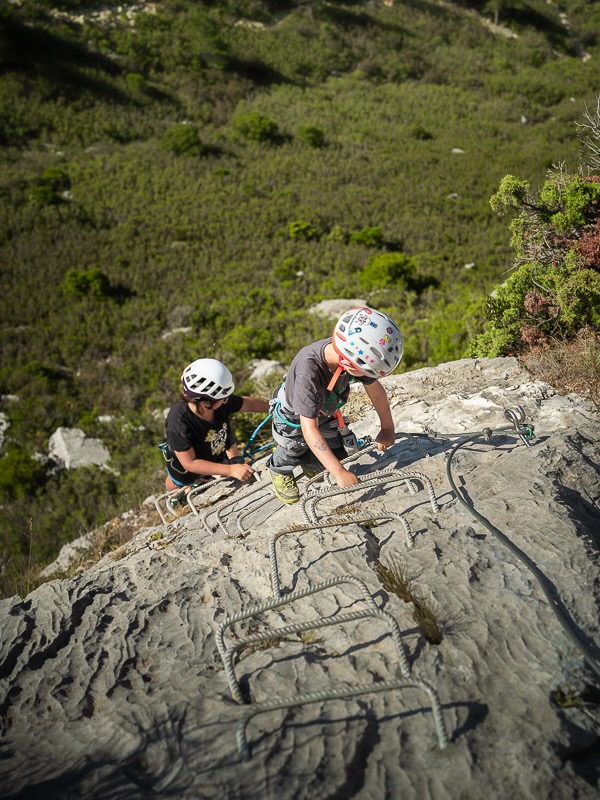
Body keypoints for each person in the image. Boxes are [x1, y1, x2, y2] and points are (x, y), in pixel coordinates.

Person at [267, 306, 403, 504]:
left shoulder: (349, 352)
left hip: (324, 412)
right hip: (293, 419)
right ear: (347, 363)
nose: (367, 377)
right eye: (365, 371)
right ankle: (278, 467)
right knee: (294, 446)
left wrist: (387, 428)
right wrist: (338, 472)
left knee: (336, 454)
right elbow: (308, 429)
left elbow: (376, 391)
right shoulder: (309, 373)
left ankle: (309, 459)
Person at [163, 358, 269, 492]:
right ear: (205, 403)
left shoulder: (217, 402)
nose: (226, 401)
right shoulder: (178, 422)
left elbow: (247, 404)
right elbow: (189, 463)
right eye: (223, 399)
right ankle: (174, 495)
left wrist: (273, 407)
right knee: (178, 482)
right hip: (187, 471)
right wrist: (229, 470)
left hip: (215, 452)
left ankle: (209, 476)